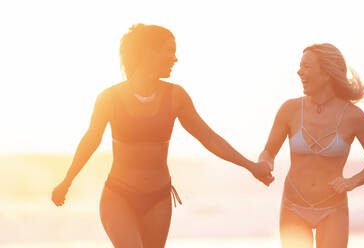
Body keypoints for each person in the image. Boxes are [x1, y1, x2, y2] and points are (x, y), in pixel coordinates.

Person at [51, 24, 273, 248]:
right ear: (149, 52)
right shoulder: (109, 98)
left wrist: (250, 166)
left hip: (158, 199)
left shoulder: (175, 96)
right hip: (119, 196)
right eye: (169, 51)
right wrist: (67, 181)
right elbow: (91, 140)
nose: (175, 58)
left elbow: (208, 137)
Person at [258, 43, 364, 248]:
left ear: (326, 73)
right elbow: (268, 152)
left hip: (332, 208)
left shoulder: (354, 117)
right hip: (293, 206)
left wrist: (352, 181)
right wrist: (265, 163)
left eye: (307, 66)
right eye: (300, 66)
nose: (299, 71)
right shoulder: (290, 110)